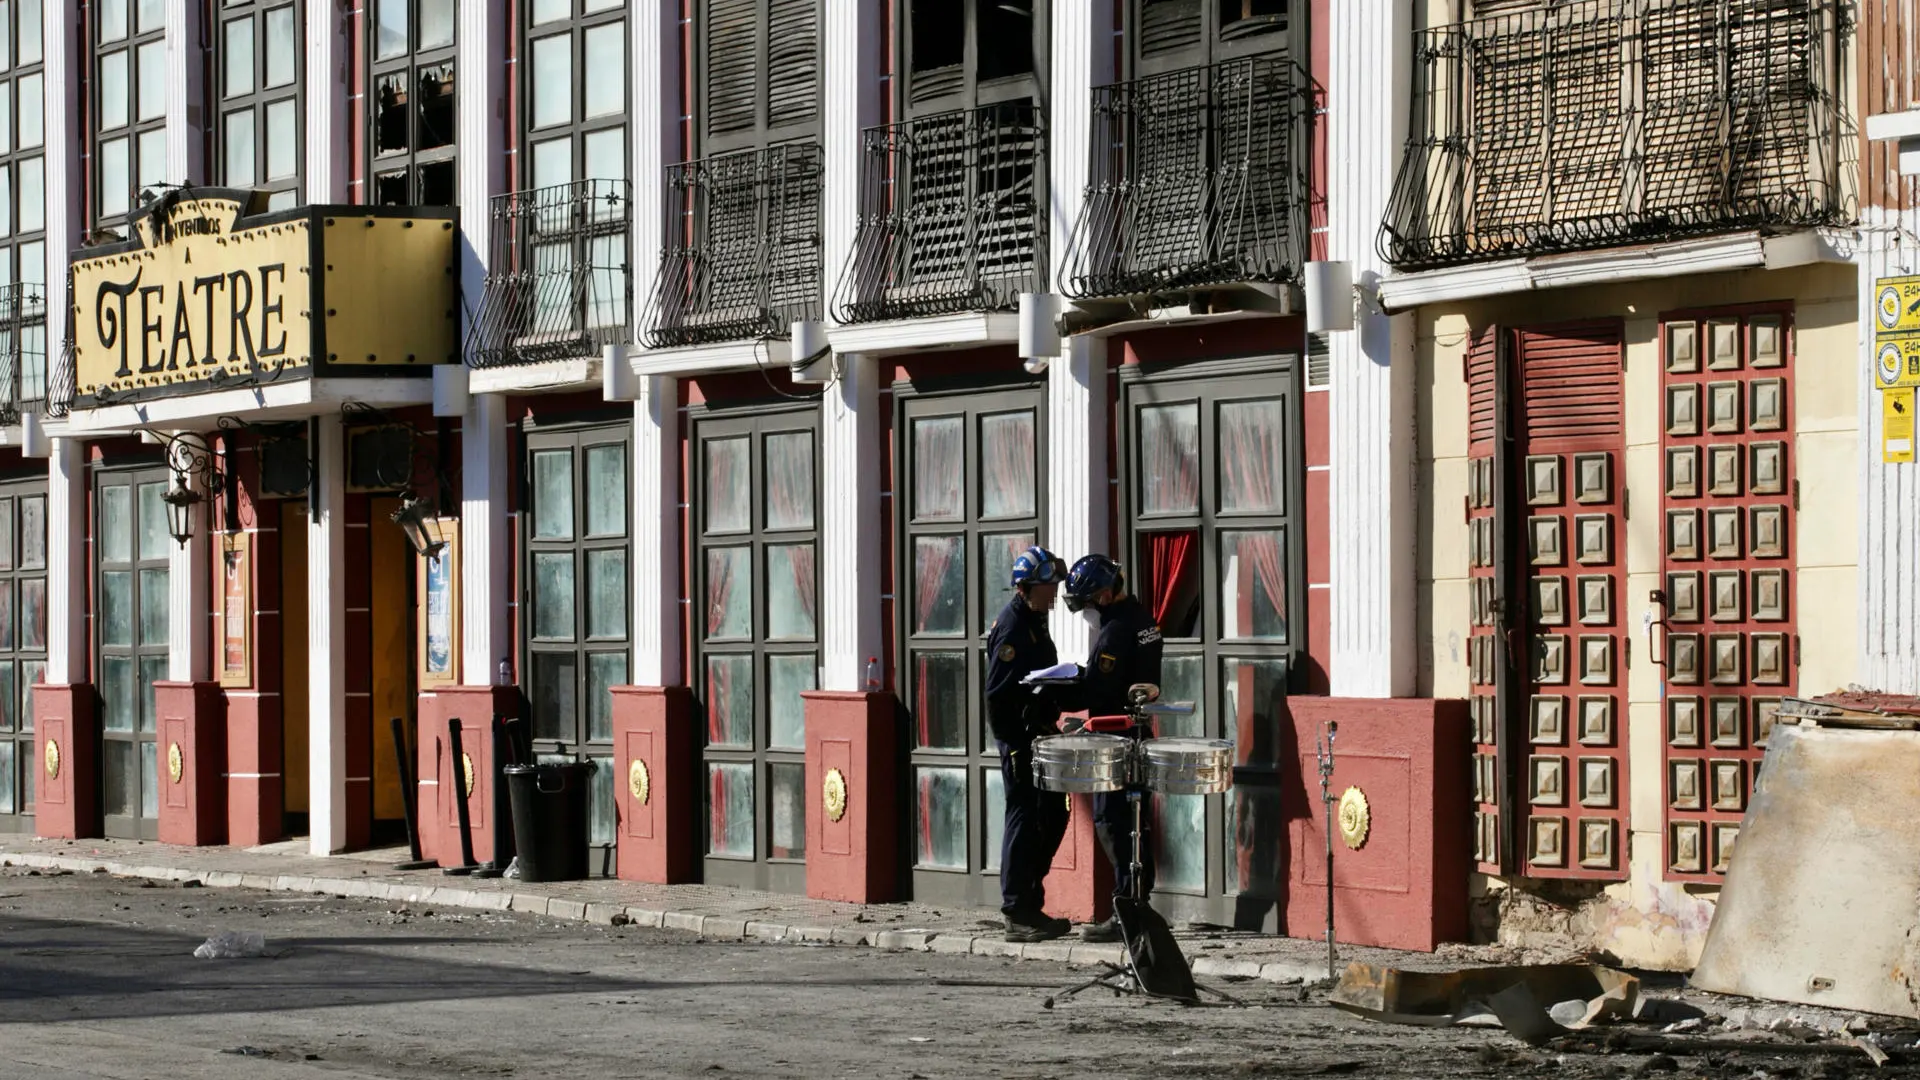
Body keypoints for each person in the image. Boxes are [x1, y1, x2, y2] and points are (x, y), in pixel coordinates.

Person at [1057, 553, 1163, 943]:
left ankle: (1125, 908)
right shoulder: (1143, 619)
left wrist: (1058, 690)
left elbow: (1099, 688)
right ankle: (1139, 902)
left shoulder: (1116, 630)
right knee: (1137, 822)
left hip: (1115, 737)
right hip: (1137, 735)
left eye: (1086, 602)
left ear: (1103, 594)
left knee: (1113, 822)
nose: (1086, 610)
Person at [984, 545, 1073, 943]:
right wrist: (1019, 740)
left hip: (1040, 733)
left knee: (1054, 814)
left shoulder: (1036, 620)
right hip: (1021, 741)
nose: (1054, 592)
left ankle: (1032, 902)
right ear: (1027, 586)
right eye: (1047, 585)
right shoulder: (1013, 626)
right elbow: (998, 694)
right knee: (1023, 817)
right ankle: (1016, 908)